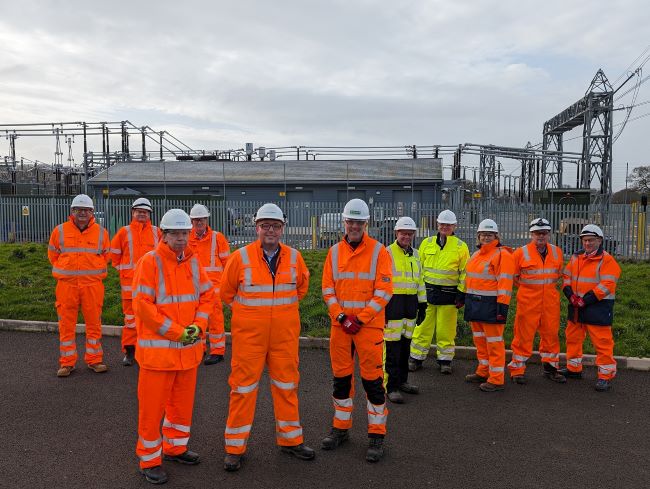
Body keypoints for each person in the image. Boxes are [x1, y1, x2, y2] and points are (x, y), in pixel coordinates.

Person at [221, 203, 314, 472]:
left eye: (275, 226)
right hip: (249, 338)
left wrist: (279, 313)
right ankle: (235, 447)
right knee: (242, 389)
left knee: (287, 387)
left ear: (282, 229)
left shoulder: (296, 257)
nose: (270, 230)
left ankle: (291, 440)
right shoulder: (239, 257)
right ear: (256, 227)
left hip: (284, 337)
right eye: (265, 225)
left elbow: (301, 288)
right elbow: (226, 293)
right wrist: (251, 316)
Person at [132, 208, 215, 485]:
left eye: (184, 233)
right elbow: (143, 308)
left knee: (181, 406)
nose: (181, 238)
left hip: (187, 353)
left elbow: (207, 297)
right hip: (159, 355)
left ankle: (175, 447)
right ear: (163, 235)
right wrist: (179, 332)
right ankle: (150, 459)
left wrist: (199, 327)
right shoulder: (150, 262)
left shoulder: (193, 262)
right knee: (152, 410)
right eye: (175, 234)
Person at [321, 198, 393, 463]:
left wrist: (359, 319)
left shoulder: (379, 251)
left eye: (359, 222)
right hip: (341, 327)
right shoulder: (334, 252)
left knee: (373, 382)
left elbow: (384, 291)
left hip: (368, 327)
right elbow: (327, 289)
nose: (354, 226)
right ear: (344, 222)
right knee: (341, 379)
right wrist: (341, 316)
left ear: (366, 224)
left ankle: (377, 434)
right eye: (350, 221)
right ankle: (340, 429)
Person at [48, 194, 110, 377]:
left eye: (86, 210)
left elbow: (106, 256)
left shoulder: (101, 232)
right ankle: (67, 363)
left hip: (92, 286)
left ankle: (95, 360)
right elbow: (53, 255)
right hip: (66, 286)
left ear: (92, 212)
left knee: (94, 324)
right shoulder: (59, 231)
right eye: (79, 210)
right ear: (72, 211)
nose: (82, 213)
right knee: (66, 325)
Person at [560, 224, 621, 392]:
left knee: (602, 342)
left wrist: (585, 300)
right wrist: (570, 295)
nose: (587, 244)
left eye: (591, 240)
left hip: (598, 306)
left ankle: (605, 376)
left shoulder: (607, 260)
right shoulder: (576, 257)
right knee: (573, 338)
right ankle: (574, 369)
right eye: (585, 240)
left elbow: (607, 285)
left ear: (599, 241)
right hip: (576, 305)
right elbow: (566, 277)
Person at [409, 210, 469, 374]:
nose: (445, 227)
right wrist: (416, 292)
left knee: (446, 330)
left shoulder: (460, 246)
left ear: (454, 226)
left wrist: (461, 294)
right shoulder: (426, 243)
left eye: (448, 225)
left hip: (449, 296)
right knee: (422, 328)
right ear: (437, 224)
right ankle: (416, 358)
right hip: (427, 294)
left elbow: (465, 273)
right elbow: (419, 268)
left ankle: (445, 361)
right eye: (442, 224)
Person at [507, 218, 566, 384]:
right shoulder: (520, 253)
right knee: (522, 336)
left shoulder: (557, 252)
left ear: (549, 234)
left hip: (550, 302)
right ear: (531, 234)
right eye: (537, 233)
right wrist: (529, 291)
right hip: (528, 302)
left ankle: (551, 368)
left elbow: (559, 274)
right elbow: (514, 277)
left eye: (544, 233)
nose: (541, 236)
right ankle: (517, 370)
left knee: (551, 335)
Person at [463, 219, 514, 392]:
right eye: (483, 234)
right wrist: (463, 297)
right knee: (480, 342)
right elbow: (469, 279)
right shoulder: (476, 255)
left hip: (492, 306)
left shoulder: (502, 255)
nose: (486, 237)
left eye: (489, 235)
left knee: (494, 343)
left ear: (496, 236)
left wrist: (502, 307)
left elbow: (505, 284)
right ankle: (483, 371)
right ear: (478, 236)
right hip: (475, 304)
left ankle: (496, 378)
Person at [110, 197, 161, 366]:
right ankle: (130, 352)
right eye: (139, 211)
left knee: (151, 319)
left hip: (152, 287)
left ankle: (149, 352)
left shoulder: (157, 232)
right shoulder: (123, 232)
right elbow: (114, 256)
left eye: (145, 212)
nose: (141, 214)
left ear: (149, 214)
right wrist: (124, 272)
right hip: (129, 287)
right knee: (130, 321)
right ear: (133, 212)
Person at [383, 217, 426, 404]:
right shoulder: (387, 253)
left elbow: (421, 281)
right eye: (403, 233)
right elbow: (381, 282)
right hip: (392, 305)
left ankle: (403, 381)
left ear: (414, 234)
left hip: (410, 305)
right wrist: (381, 307)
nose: (406, 236)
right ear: (396, 233)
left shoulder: (416, 255)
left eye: (409, 234)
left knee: (405, 346)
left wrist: (423, 304)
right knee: (392, 348)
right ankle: (390, 386)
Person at [188, 203, 230, 365]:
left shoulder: (217, 237)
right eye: (196, 220)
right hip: (192, 288)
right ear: (191, 221)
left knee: (215, 320)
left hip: (213, 289)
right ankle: (198, 348)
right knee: (195, 319)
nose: (199, 223)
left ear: (207, 220)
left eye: (202, 220)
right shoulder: (186, 237)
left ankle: (218, 351)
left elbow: (228, 262)